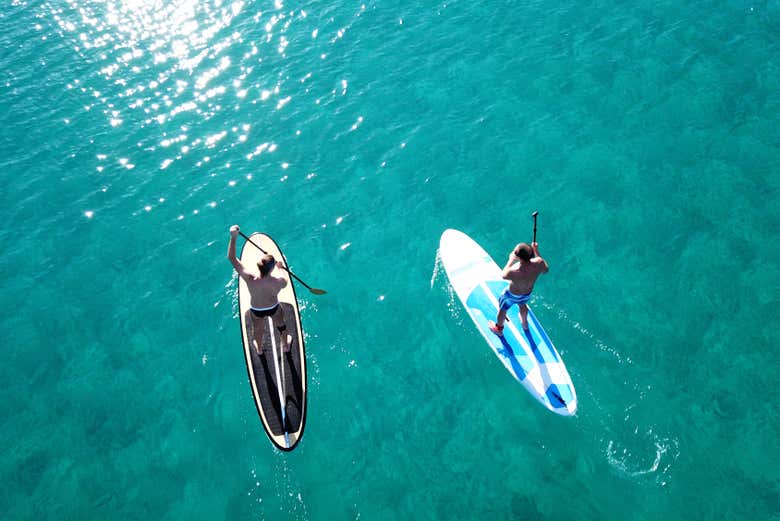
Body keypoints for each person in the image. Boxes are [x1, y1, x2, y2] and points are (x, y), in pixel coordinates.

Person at [227, 225, 291, 355]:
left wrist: (233, 238)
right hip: (273, 307)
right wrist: (281, 268)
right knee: (282, 326)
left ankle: (259, 348)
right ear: (272, 269)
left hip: (257, 310)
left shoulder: (250, 278)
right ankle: (286, 345)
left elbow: (232, 259)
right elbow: (286, 281)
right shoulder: (278, 282)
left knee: (257, 329)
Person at [488, 241, 549, 336]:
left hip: (511, 295)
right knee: (522, 305)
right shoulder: (539, 263)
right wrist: (536, 250)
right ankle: (525, 324)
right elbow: (545, 270)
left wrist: (510, 260)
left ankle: (499, 329)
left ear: (519, 258)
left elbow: (503, 275)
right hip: (527, 294)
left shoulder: (514, 271)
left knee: (503, 309)